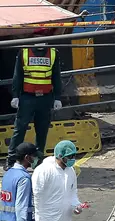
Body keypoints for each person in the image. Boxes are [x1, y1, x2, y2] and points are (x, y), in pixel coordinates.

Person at [7, 30, 62, 169]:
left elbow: (56, 77)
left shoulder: (53, 53)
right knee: (20, 129)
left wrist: (57, 98)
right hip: (27, 98)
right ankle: (11, 161)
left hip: (45, 98)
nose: (40, 42)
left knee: (42, 130)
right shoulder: (24, 53)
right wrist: (15, 96)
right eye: (37, 39)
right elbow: (17, 76)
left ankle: (37, 161)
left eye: (42, 39)